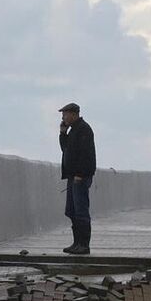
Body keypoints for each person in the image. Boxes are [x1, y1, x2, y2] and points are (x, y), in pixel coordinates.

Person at [59, 101, 96, 253]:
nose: (63, 117)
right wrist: (63, 133)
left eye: (65, 114)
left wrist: (80, 174)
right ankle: (76, 243)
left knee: (81, 211)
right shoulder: (73, 130)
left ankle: (84, 244)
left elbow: (85, 154)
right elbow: (65, 149)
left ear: (74, 114)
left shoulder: (84, 129)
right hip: (72, 176)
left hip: (80, 177)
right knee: (72, 211)